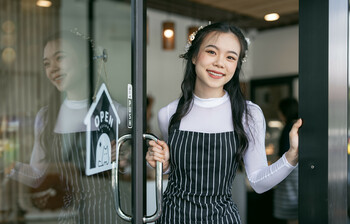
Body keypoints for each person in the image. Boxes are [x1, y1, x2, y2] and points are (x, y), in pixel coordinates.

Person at [146, 22, 302, 223]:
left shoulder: (248, 114)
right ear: (194, 56)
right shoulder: (168, 113)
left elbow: (258, 183)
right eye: (211, 52)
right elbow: (173, 170)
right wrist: (163, 164)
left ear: (236, 65)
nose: (220, 63)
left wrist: (292, 155)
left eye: (230, 57)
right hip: (172, 217)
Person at [6, 31, 129, 223]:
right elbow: (38, 175)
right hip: (68, 216)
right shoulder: (46, 117)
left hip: (110, 213)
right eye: (46, 63)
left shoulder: (117, 113)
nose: (52, 69)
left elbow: (132, 169)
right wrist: (11, 167)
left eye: (60, 58)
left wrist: (123, 161)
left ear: (86, 60)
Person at [273, 98, 299, 224]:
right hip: (301, 176)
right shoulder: (301, 125)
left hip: (290, 176)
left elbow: (281, 158)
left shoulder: (288, 128)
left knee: (292, 218)